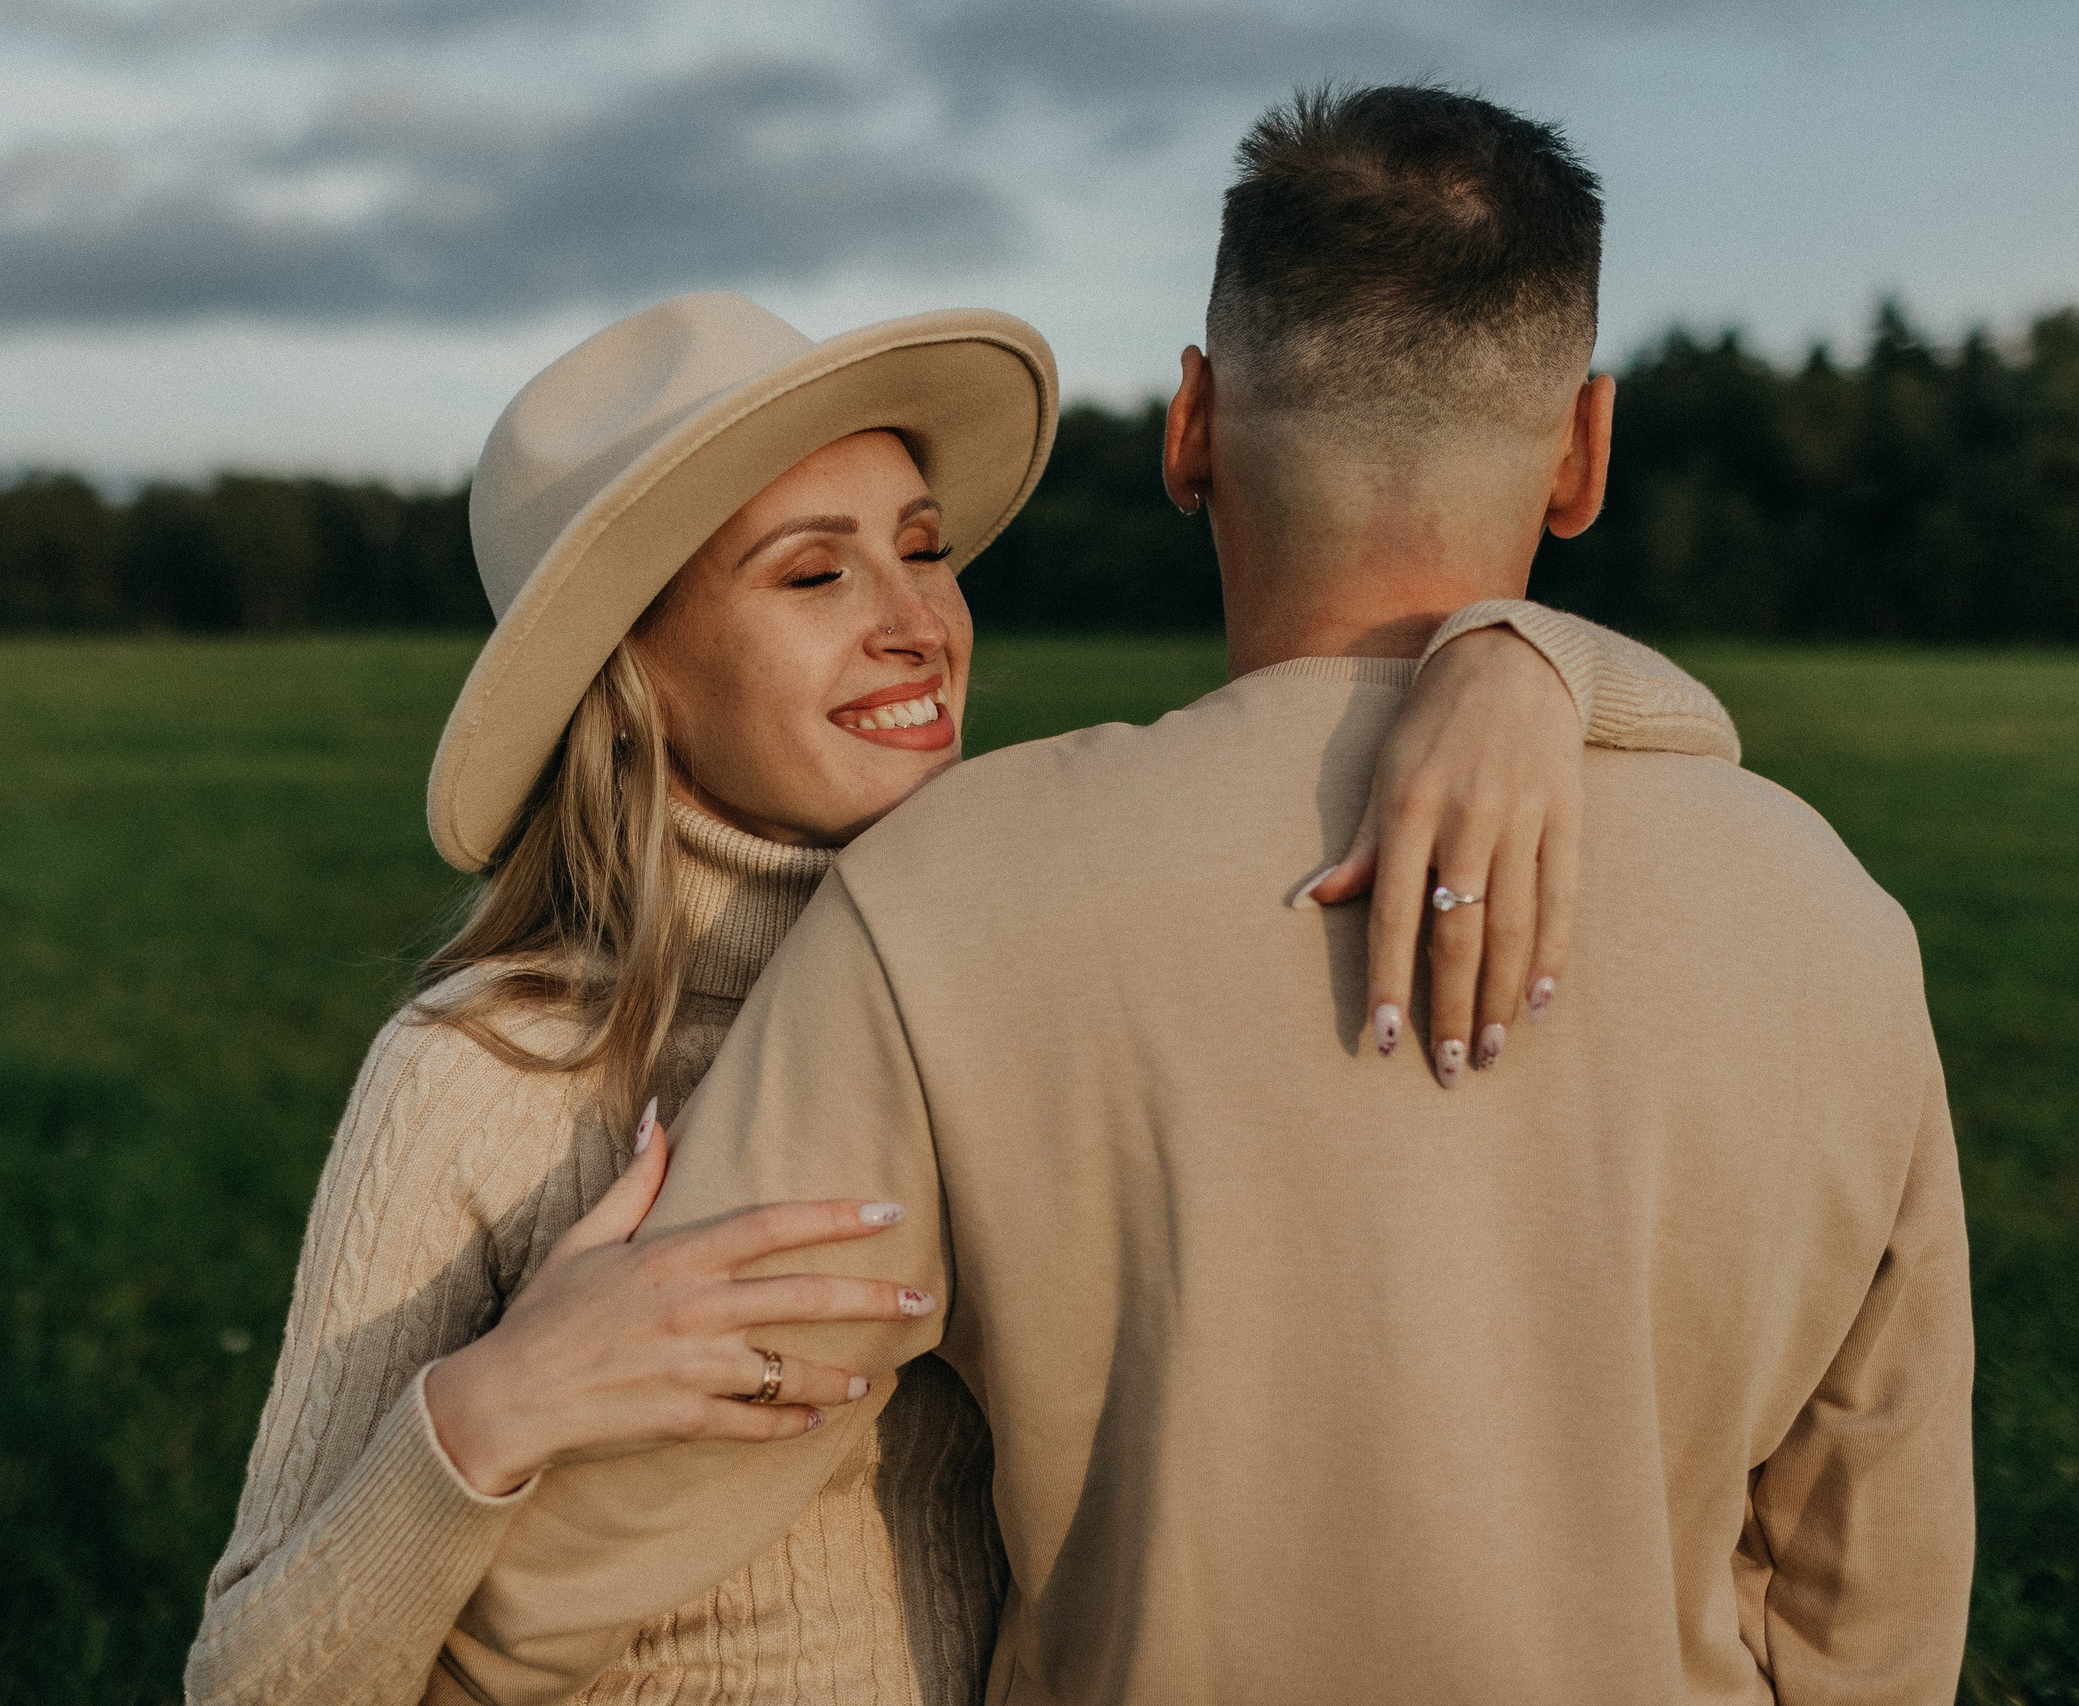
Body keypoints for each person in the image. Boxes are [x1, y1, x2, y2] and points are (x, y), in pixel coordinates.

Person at [438, 88, 1976, 1706]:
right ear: (1585, 454)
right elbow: (1869, 1607)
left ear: (1188, 424)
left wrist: (429, 1526)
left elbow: (584, 1558)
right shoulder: (1840, 928)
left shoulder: (952, 893)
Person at [184, 285, 1740, 1706]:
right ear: (632, 671)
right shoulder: (487, 1070)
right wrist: (488, 1408)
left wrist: (1519, 663)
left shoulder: (1020, 955)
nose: (918, 621)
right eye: (815, 572)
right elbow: (252, 1684)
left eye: (922, 548)